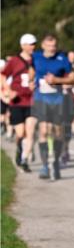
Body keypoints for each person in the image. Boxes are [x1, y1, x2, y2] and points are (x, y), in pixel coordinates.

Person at [32, 34, 74, 180]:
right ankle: (45, 166)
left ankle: (56, 162)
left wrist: (57, 80)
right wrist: (31, 81)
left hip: (57, 99)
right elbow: (31, 71)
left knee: (58, 132)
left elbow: (73, 78)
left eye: (54, 46)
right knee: (43, 130)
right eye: (49, 45)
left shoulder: (62, 59)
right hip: (41, 98)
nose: (52, 48)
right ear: (43, 45)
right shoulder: (36, 56)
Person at [1, 34, 37, 171]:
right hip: (17, 102)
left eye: (34, 44)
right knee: (21, 133)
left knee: (30, 132)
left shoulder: (37, 60)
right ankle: (19, 149)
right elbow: (3, 75)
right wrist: (8, 91)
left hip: (32, 101)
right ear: (23, 45)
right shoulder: (15, 61)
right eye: (30, 44)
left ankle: (24, 159)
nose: (32, 46)